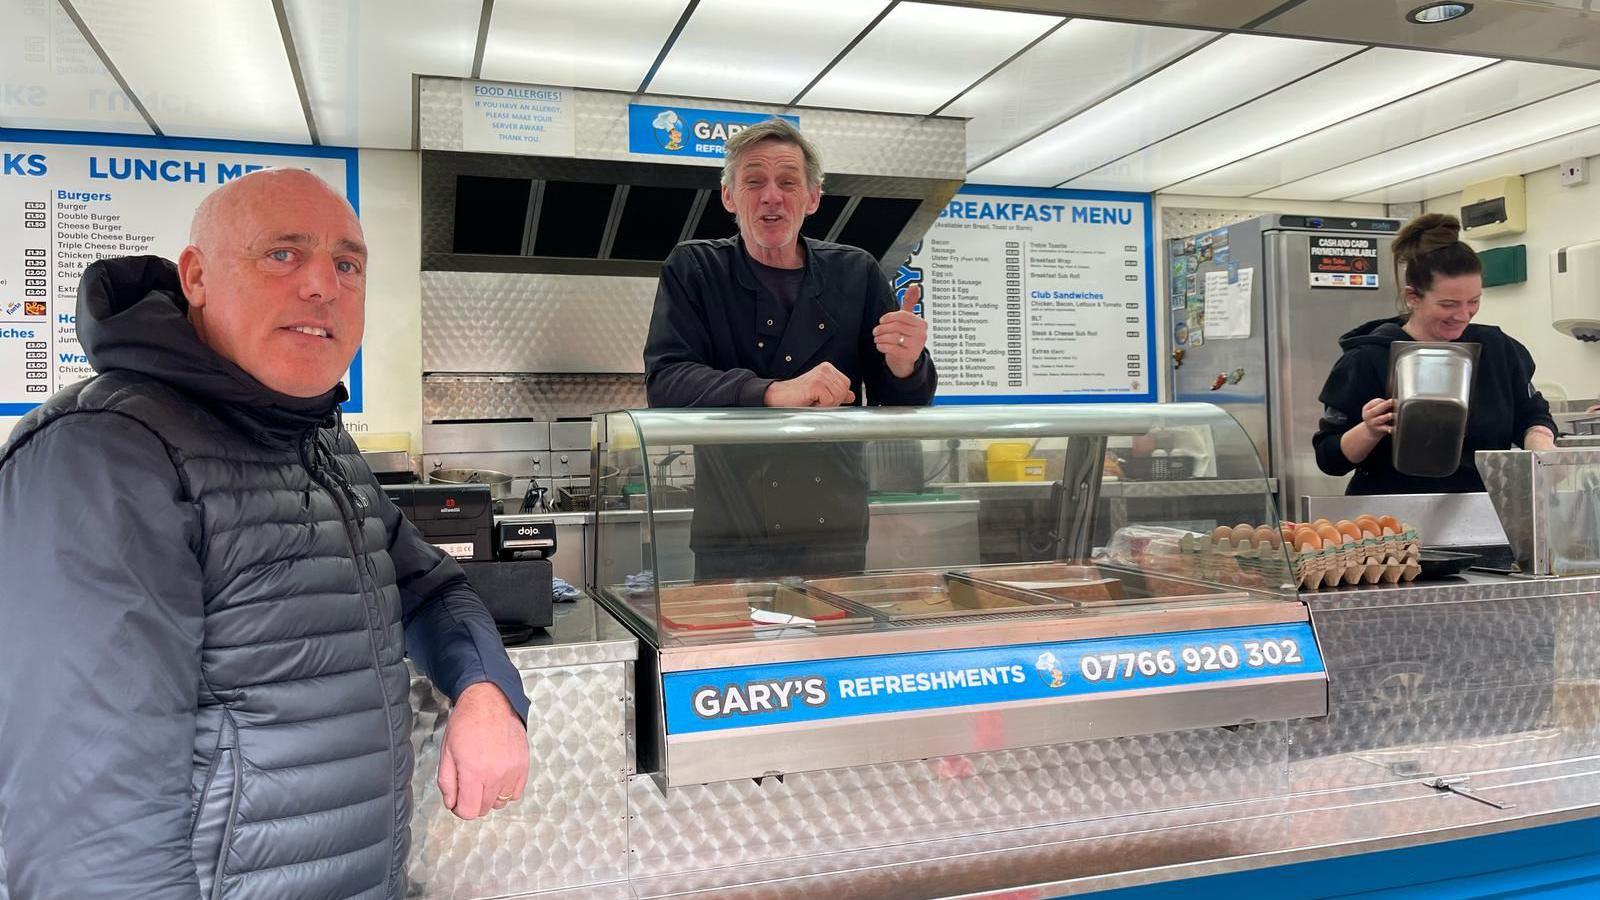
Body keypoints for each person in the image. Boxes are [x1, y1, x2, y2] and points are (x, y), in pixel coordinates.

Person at [0, 169, 530, 900]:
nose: (323, 285)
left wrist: (485, 690)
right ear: (197, 277)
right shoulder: (106, 454)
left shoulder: (316, 441)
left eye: (347, 264)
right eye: (282, 254)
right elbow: (91, 838)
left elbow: (430, 588)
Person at [643, 117, 937, 579]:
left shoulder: (855, 274)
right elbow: (666, 382)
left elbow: (900, 403)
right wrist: (774, 391)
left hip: (832, 534)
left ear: (813, 198)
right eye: (754, 181)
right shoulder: (695, 268)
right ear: (729, 196)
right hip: (731, 534)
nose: (771, 196)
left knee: (830, 650)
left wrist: (905, 365)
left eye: (787, 182)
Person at [1313, 213, 1556, 495]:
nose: (1463, 315)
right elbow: (1329, 458)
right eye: (1449, 304)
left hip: (1483, 512)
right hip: (1389, 522)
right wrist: (1369, 429)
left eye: (1474, 301)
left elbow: (1532, 415)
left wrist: (1542, 448)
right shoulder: (1367, 359)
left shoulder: (1498, 350)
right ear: (1412, 297)